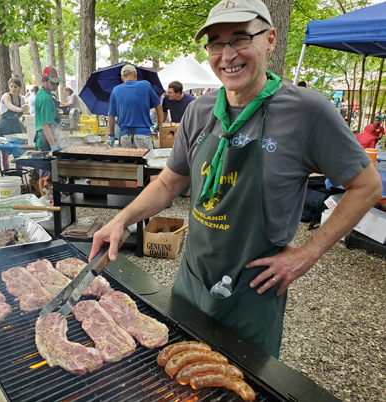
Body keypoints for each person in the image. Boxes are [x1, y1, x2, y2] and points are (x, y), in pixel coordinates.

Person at [89, 0, 381, 358]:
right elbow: (168, 183)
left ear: (270, 39)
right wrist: (120, 220)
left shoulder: (309, 111)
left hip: (253, 292)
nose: (227, 55)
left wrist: (307, 254)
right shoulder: (199, 111)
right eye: (215, 43)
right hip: (192, 279)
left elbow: (366, 186)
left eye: (240, 38)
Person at [107, 64, 163, 149]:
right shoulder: (146, 85)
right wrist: (159, 124)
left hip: (125, 137)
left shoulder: (115, 90)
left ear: (122, 78)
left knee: (128, 162)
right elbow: (158, 106)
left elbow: (111, 116)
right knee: (146, 161)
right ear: (135, 75)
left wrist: (111, 135)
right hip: (143, 136)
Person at [34, 66, 63, 195]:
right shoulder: (45, 98)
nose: (56, 85)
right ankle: (49, 201)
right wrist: (54, 146)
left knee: (43, 172)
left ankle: (45, 201)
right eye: (52, 82)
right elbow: (46, 125)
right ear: (44, 80)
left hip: (44, 136)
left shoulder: (46, 94)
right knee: (49, 174)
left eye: (57, 82)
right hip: (46, 137)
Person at [0, 77, 27, 170]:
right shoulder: (6, 96)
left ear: (20, 87)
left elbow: (21, 114)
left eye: (15, 86)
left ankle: (19, 174)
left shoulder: (21, 99)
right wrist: (19, 109)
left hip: (15, 124)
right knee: (4, 153)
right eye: (11, 86)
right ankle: (7, 174)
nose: (13, 88)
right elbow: (9, 106)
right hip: (4, 124)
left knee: (18, 151)